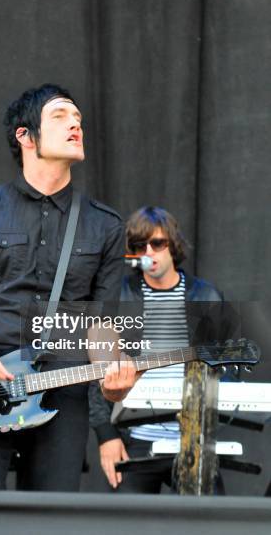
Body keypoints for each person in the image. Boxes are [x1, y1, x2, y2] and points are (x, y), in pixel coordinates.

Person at [0, 83, 139, 491]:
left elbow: (101, 323)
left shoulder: (105, 224)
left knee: (51, 521)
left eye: (78, 118)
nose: (75, 125)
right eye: (60, 116)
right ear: (25, 136)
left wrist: (114, 378)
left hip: (62, 394)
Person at [89, 206, 225, 493]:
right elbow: (97, 371)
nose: (148, 251)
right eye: (140, 246)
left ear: (172, 245)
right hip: (136, 439)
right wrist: (106, 436)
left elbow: (223, 370)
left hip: (192, 438)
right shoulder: (118, 297)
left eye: (157, 243)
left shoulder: (206, 296)